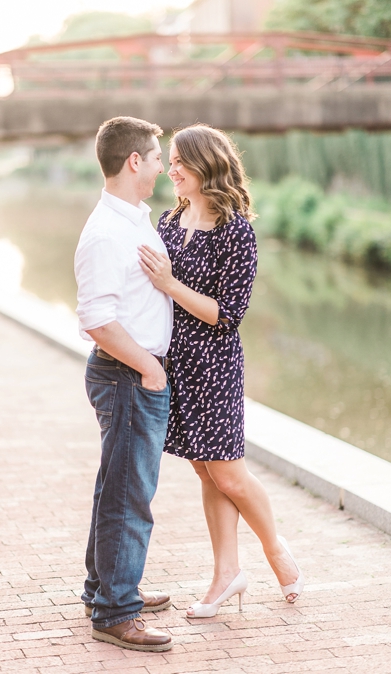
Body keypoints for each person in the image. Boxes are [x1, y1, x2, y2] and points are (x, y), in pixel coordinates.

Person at [138, 123, 304, 618]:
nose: (171, 169)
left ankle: (276, 551)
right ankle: (227, 574)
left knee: (228, 473)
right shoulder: (169, 221)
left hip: (214, 366)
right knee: (206, 472)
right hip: (176, 364)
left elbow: (227, 313)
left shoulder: (237, 230)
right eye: (168, 161)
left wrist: (168, 284)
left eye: (179, 161)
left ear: (206, 164)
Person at [73, 116, 175, 653]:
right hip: (128, 375)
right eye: (156, 157)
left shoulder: (134, 218)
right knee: (131, 495)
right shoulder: (107, 232)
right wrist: (150, 368)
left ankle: (105, 587)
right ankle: (116, 610)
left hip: (132, 372)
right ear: (133, 161)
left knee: (116, 484)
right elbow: (97, 319)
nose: (161, 165)